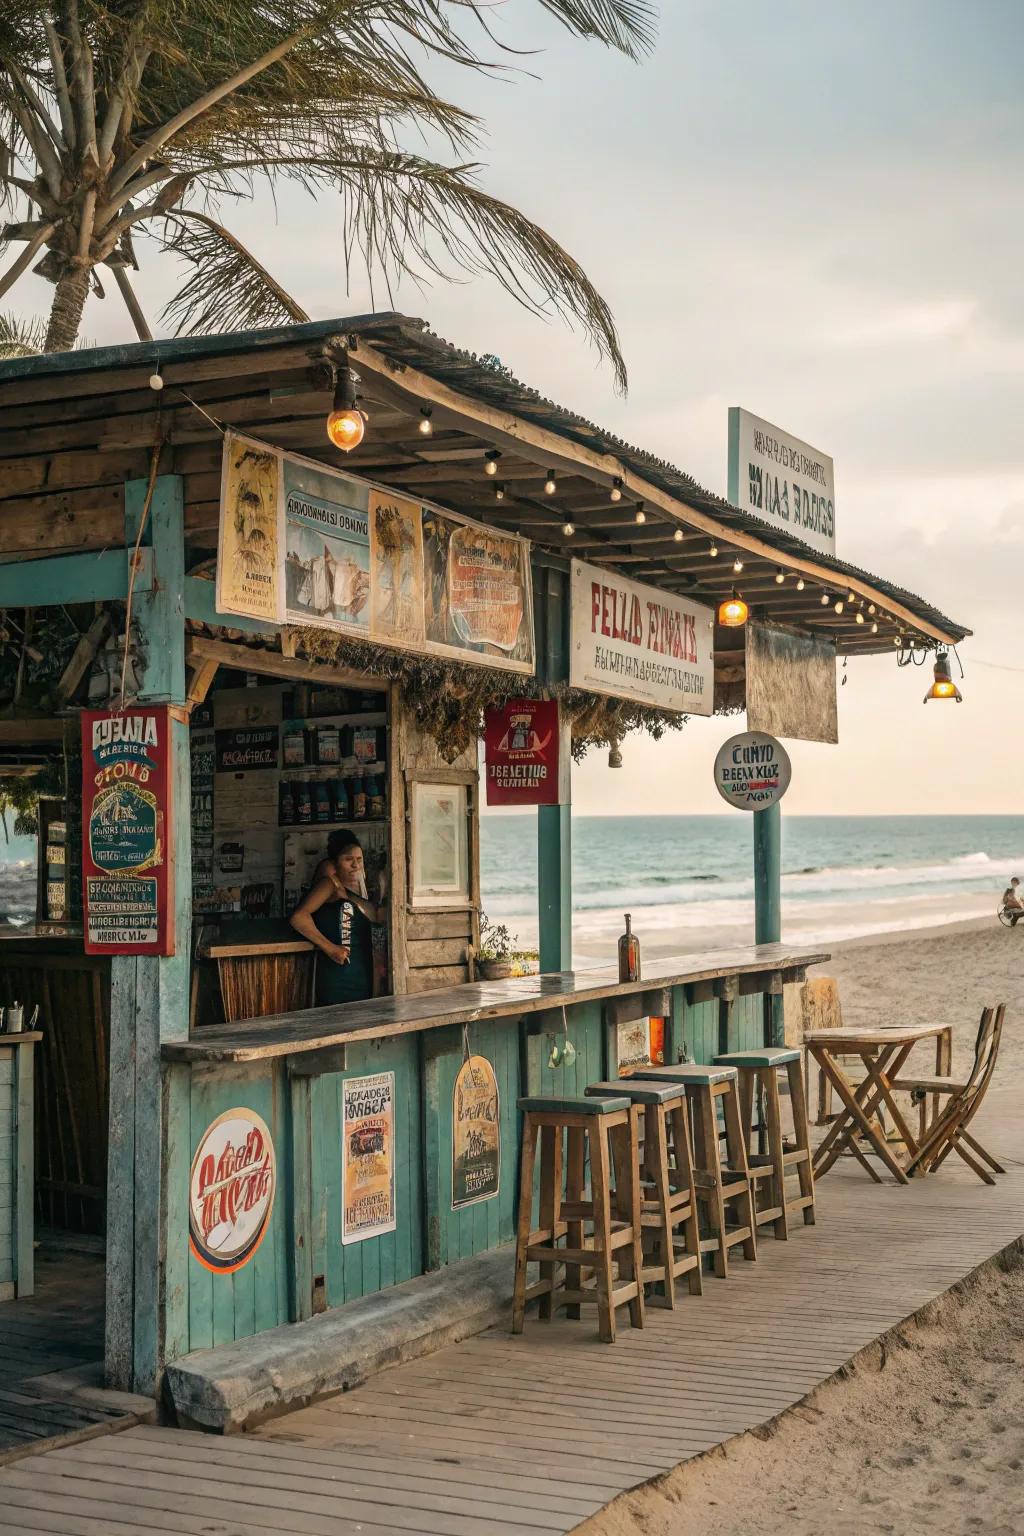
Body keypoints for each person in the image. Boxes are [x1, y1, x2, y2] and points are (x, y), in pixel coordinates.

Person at [289, 832, 387, 1005]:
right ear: (335, 863)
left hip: (363, 977)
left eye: (359, 859)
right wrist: (330, 948)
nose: (355, 865)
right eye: (348, 859)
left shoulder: (364, 895)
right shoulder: (329, 886)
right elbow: (299, 917)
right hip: (338, 977)